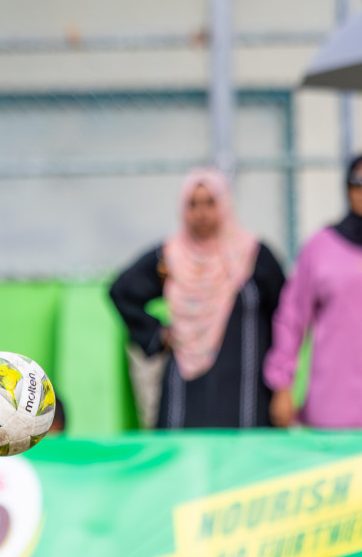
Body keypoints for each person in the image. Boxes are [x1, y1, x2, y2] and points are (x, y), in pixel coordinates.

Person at [109, 168, 284, 429]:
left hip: (246, 392)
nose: (201, 213)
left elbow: (285, 314)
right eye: (193, 204)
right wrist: (158, 335)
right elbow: (122, 290)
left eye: (210, 203)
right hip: (186, 387)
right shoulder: (171, 257)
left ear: (224, 204)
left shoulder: (253, 256)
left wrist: (282, 384)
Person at [265, 153, 362, 428]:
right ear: (347, 187)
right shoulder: (321, 247)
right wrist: (282, 384)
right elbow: (292, 316)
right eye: (358, 181)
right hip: (333, 406)